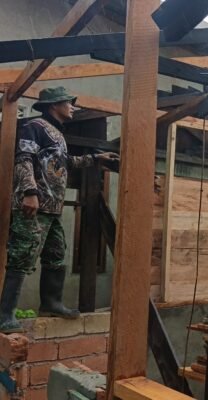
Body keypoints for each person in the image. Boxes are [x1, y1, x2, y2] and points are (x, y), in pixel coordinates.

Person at [0, 87, 119, 333]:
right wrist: (29, 192)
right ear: (54, 105)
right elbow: (23, 159)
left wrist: (96, 159)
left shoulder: (57, 134)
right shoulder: (34, 127)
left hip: (52, 208)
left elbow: (67, 163)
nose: (72, 106)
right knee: (22, 255)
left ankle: (51, 303)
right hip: (34, 206)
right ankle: (5, 315)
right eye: (68, 102)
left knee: (56, 253)